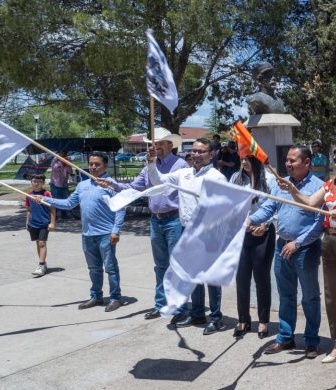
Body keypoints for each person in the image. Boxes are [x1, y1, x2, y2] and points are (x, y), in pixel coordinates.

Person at [278, 142, 336, 371]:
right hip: (329, 241)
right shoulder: (331, 185)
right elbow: (310, 204)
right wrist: (292, 191)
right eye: (335, 160)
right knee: (332, 295)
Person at [99, 130, 189, 320]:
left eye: (159, 143)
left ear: (170, 146)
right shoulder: (149, 165)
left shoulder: (180, 165)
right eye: (152, 144)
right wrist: (112, 184)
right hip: (156, 220)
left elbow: (163, 187)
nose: (154, 147)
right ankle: (161, 304)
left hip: (174, 219)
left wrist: (151, 165)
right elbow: (133, 188)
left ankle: (180, 307)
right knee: (160, 265)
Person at [249, 145, 325, 359]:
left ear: (307, 162)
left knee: (310, 297)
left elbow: (319, 222)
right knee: (285, 295)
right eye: (287, 160)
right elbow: (269, 208)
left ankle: (311, 341)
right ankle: (285, 336)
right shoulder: (280, 183)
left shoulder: (319, 187)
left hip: (305, 250)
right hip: (281, 246)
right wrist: (251, 219)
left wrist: (298, 243)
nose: (288, 164)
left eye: (293, 160)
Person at [147, 138, 228, 335]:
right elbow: (158, 181)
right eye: (194, 151)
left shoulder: (217, 178)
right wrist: (150, 162)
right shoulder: (183, 174)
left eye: (202, 151)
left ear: (211, 154)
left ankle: (216, 317)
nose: (197, 154)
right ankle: (198, 313)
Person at [41, 153, 126, 312]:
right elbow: (68, 204)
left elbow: (120, 208)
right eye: (91, 164)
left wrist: (116, 231)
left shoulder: (111, 184)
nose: (93, 167)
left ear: (105, 166)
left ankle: (115, 298)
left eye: (97, 164)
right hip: (87, 234)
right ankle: (96, 296)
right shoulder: (82, 185)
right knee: (93, 268)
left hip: (106, 234)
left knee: (110, 268)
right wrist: (45, 200)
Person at [230, 155, 278, 339]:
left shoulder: (269, 179)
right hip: (241, 233)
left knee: (261, 279)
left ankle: (264, 321)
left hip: (263, 233)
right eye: (241, 158)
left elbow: (275, 205)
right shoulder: (236, 178)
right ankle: (243, 319)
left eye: (248, 158)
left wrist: (264, 225)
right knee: (241, 278)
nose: (243, 162)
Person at [25, 174, 55, 277]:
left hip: (44, 223)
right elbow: (29, 210)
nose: (36, 183)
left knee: (42, 243)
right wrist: (27, 222)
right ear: (31, 183)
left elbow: (52, 209)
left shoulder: (46, 194)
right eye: (34, 181)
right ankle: (43, 263)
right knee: (38, 243)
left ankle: (41, 265)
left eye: (39, 182)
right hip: (33, 223)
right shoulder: (29, 195)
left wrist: (52, 222)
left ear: (43, 183)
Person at [49, 150, 74, 219]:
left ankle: (64, 215)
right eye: (62, 153)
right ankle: (55, 215)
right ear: (59, 153)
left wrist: (68, 164)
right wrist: (63, 162)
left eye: (65, 153)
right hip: (55, 183)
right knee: (55, 200)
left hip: (64, 184)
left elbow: (70, 171)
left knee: (64, 199)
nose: (64, 154)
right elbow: (55, 168)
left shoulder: (67, 161)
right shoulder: (55, 159)